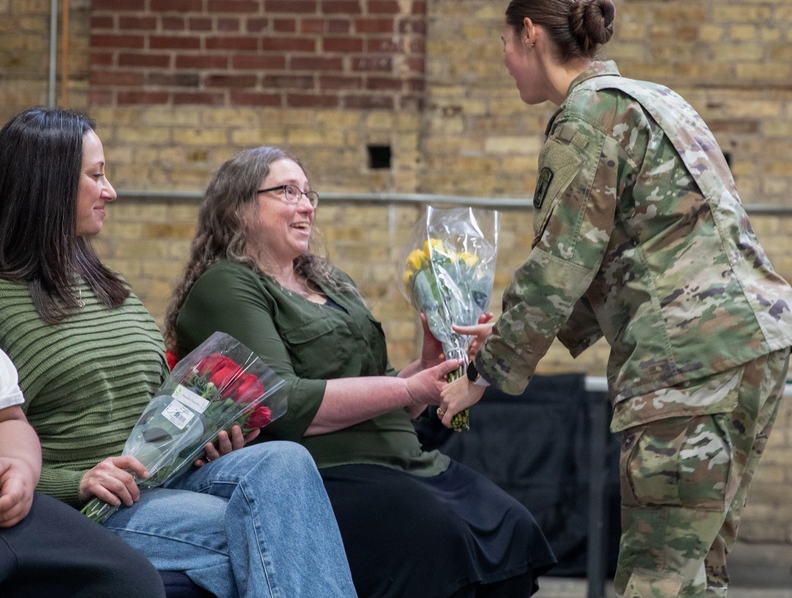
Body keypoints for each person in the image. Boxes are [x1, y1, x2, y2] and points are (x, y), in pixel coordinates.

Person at [437, 0, 792, 598]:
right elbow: (640, 246)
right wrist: (511, 332)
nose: (505, 63)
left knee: (656, 578)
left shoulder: (586, 114)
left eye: (505, 44)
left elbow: (561, 262)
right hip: (752, 345)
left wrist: (484, 371)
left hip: (686, 363)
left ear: (530, 35)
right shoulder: (655, 98)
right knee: (698, 573)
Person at [164, 146, 557, 598]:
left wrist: (431, 363)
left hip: (405, 459)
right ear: (238, 207)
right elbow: (282, 404)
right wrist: (408, 385)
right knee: (435, 538)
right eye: (287, 192)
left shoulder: (332, 282)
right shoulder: (228, 284)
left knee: (513, 526)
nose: (306, 205)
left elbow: (396, 395)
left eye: (309, 193)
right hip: (326, 471)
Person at [0, 107, 357, 598]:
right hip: (96, 507)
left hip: (166, 477)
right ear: (50, 184)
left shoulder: (109, 286)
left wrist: (201, 435)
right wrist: (76, 481)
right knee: (277, 531)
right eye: (96, 176)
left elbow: (151, 404)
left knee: (285, 461)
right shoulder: (5, 303)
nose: (111, 191)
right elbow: (10, 444)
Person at [0, 348, 166, 598]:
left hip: (14, 511)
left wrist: (19, 465)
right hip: (98, 499)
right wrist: (76, 483)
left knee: (131, 583)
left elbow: (8, 419)